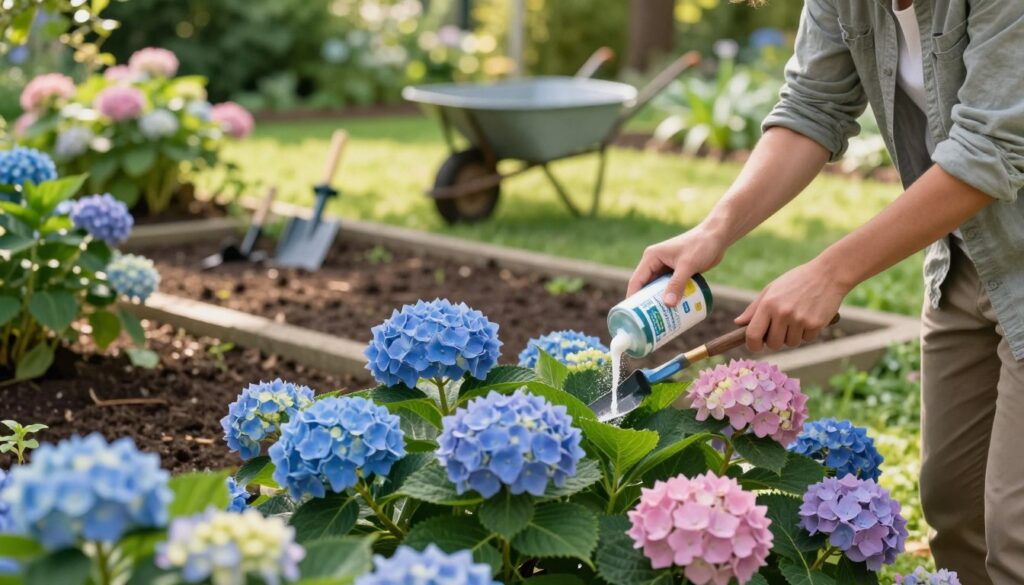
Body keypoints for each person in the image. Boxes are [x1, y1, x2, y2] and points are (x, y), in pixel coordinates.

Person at [627, 1, 1024, 582]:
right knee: (955, 510)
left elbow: (991, 147)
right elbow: (814, 104)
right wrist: (714, 230)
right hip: (970, 258)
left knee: (1015, 531)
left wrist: (831, 273)